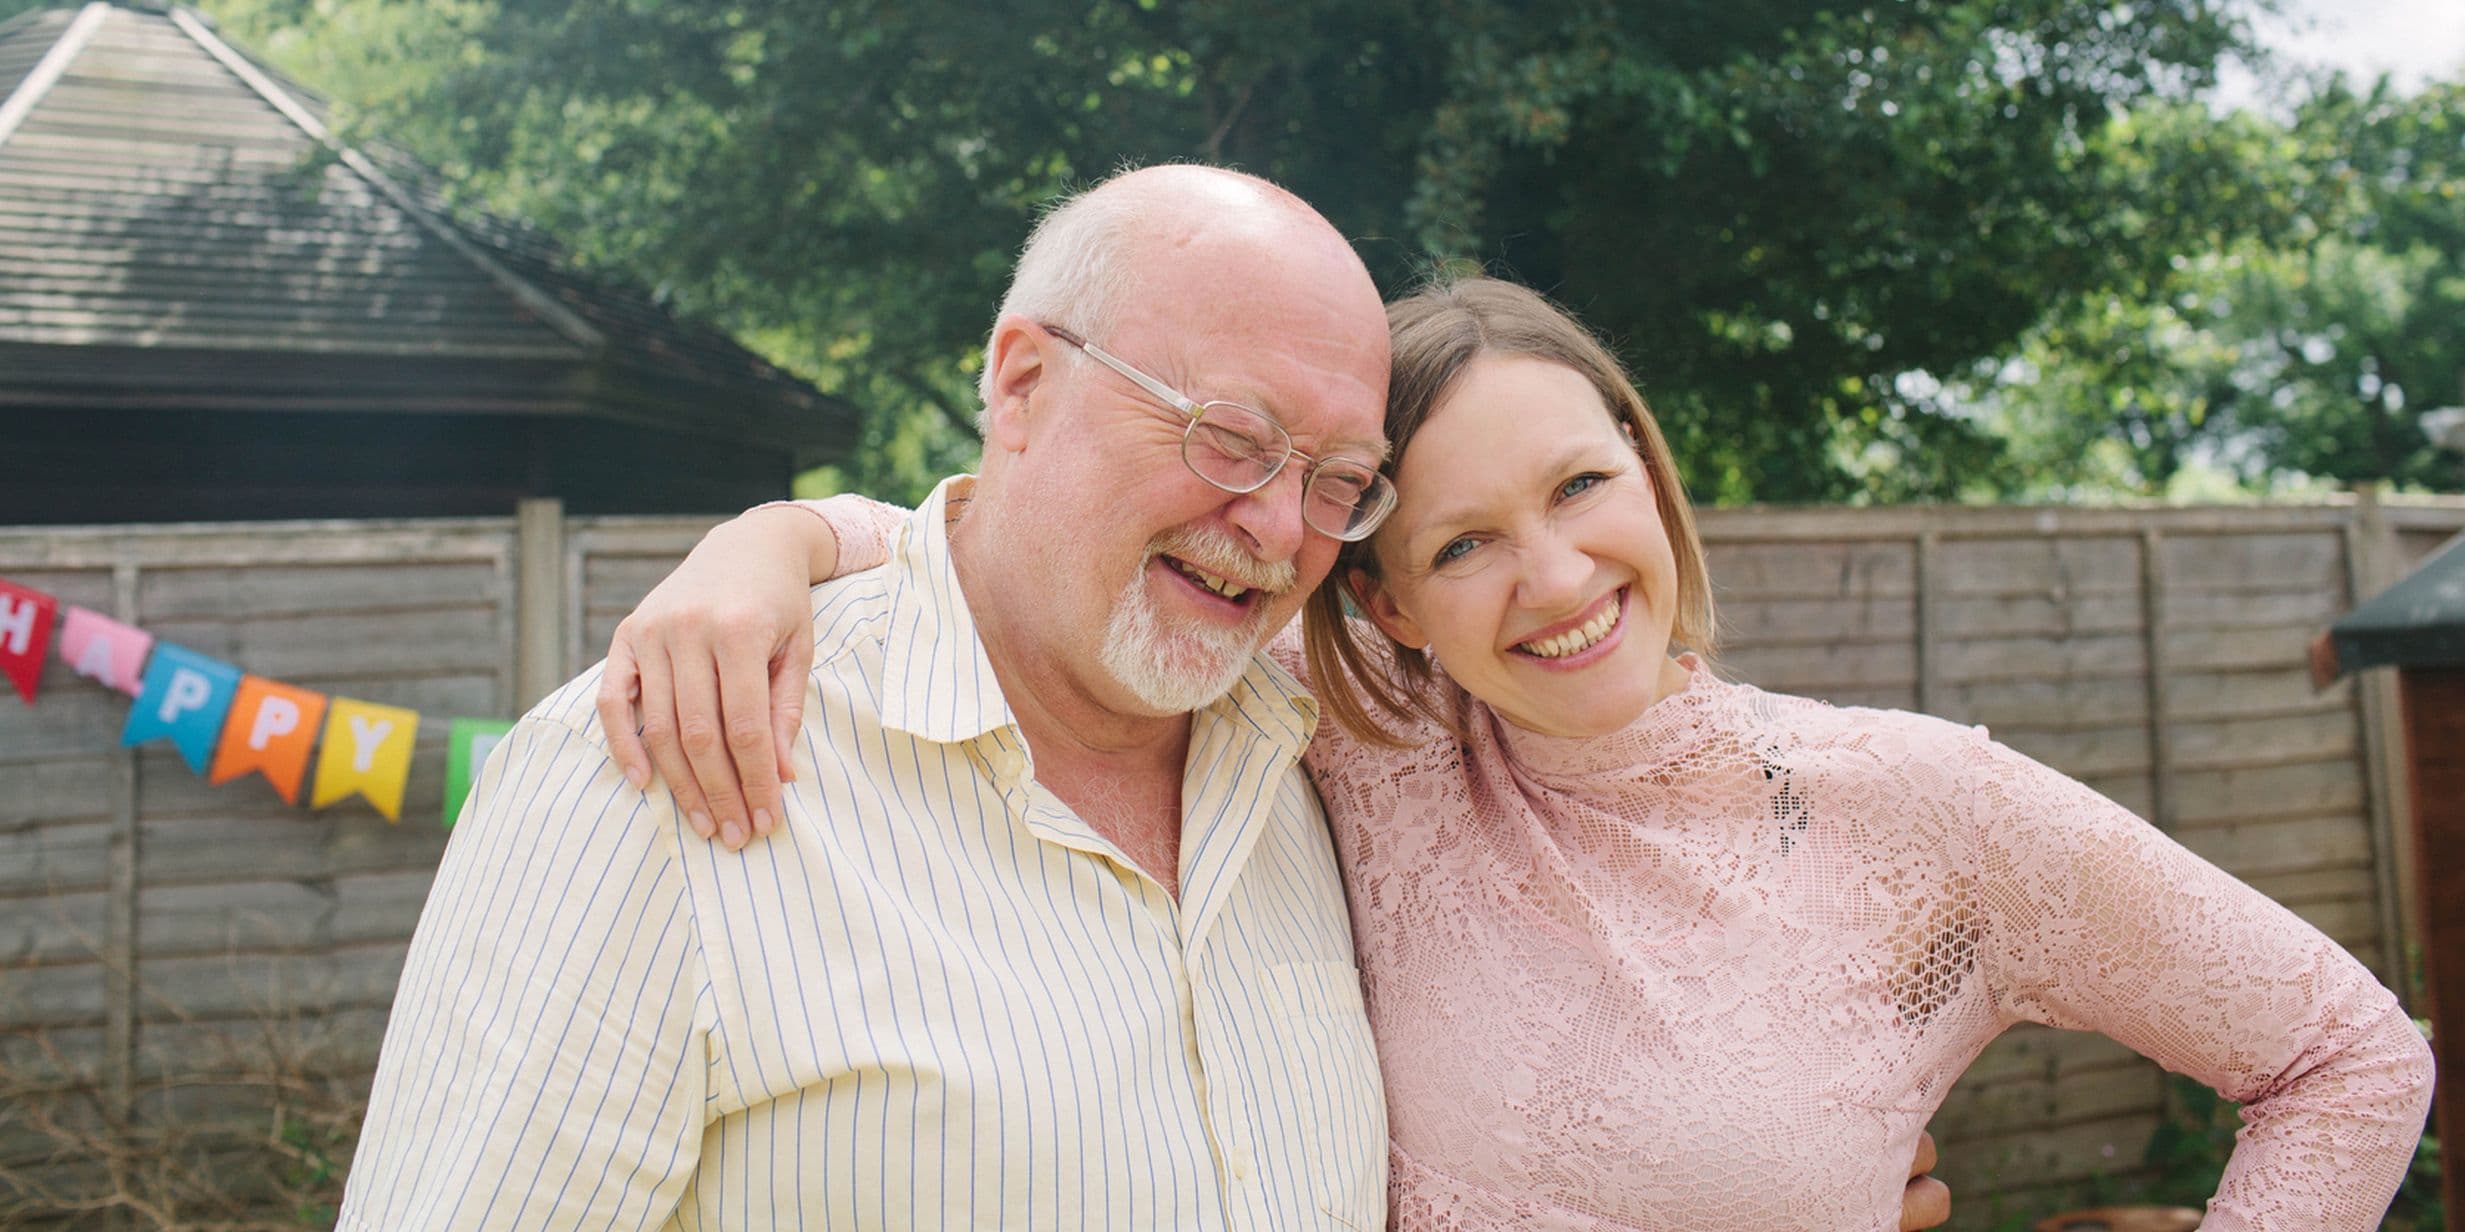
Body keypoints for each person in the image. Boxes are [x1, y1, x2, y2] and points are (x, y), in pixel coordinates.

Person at [604, 276, 2435, 1230]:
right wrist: (774, 544)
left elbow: (2348, 1053)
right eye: (1462, 542)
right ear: (1386, 601)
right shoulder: (1350, 757)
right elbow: (1056, 568)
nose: (1554, 579)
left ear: (1647, 464)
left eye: (1579, 486)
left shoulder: (1920, 812)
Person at [341, 165, 1410, 1229]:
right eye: (1229, 436)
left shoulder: (1326, 766)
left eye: (1337, 481)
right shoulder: (656, 765)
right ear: (1025, 382)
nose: (1279, 527)